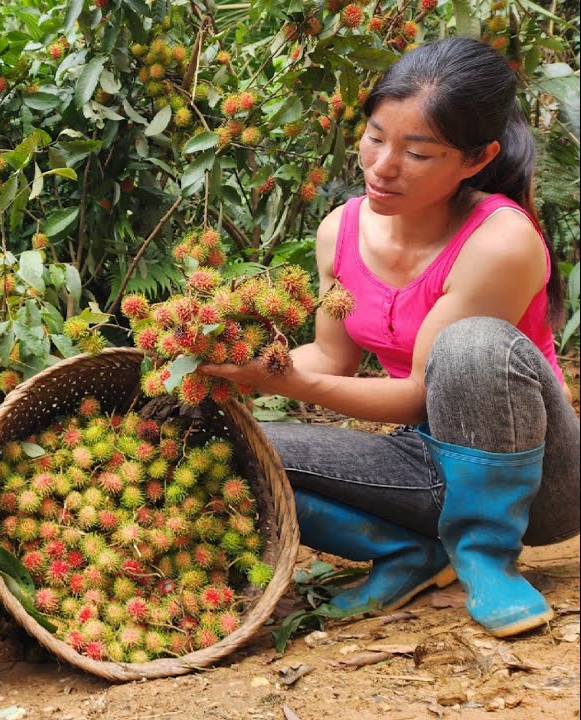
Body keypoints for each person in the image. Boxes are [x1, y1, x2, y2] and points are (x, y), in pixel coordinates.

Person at [200, 37, 579, 639]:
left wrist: (288, 381)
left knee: (472, 345)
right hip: (425, 462)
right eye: (376, 137)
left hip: (534, 479)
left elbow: (419, 394)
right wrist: (230, 366)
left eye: (418, 153)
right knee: (216, 441)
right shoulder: (339, 231)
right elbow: (331, 357)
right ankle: (412, 553)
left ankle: (486, 556)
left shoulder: (500, 240)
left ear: (476, 158)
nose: (382, 166)